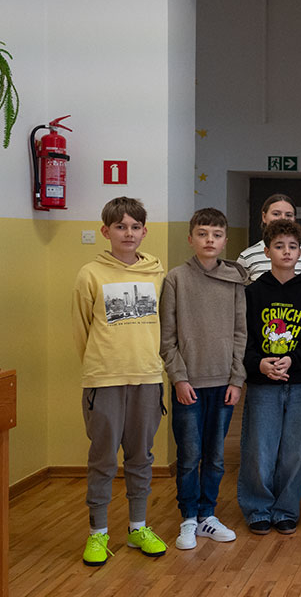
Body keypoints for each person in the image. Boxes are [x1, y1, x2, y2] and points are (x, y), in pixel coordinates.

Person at [73, 196, 168, 566]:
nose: (128, 233)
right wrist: (102, 364)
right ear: (106, 231)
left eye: (135, 227)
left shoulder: (157, 274)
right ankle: (97, 533)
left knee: (141, 457)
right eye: (120, 226)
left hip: (147, 378)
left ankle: (137, 528)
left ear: (144, 232)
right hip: (105, 380)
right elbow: (81, 330)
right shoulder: (90, 274)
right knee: (102, 460)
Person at [159, 207, 248, 550]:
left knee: (215, 456)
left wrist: (236, 379)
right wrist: (179, 378)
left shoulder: (235, 280)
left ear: (225, 240)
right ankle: (188, 518)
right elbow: (167, 338)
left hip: (223, 384)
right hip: (189, 385)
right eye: (202, 234)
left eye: (216, 235)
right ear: (190, 238)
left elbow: (240, 333)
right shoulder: (176, 279)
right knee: (189, 455)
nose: (209, 240)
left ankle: (208, 515)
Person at [238, 219, 301, 535]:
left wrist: (293, 360)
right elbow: (243, 339)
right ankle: (258, 508)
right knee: (259, 448)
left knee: (293, 451)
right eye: (279, 246)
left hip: (298, 383)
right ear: (266, 251)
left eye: (292, 246)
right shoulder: (252, 293)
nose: (286, 252)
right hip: (262, 383)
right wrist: (259, 364)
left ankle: (286, 509)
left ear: (300, 252)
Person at [237, 193, 301, 281]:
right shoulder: (247, 256)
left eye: (288, 215)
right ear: (264, 217)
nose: (282, 218)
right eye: (276, 214)